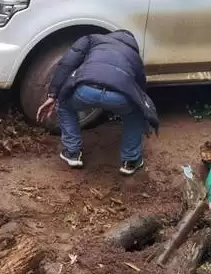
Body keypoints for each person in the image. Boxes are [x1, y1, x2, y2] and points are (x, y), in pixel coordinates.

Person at [37, 30, 158, 175]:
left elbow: (67, 63)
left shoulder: (91, 39)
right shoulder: (134, 56)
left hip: (86, 90)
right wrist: (145, 117)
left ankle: (72, 153)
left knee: (65, 105)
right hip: (120, 96)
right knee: (134, 113)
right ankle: (131, 161)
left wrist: (53, 94)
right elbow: (140, 89)